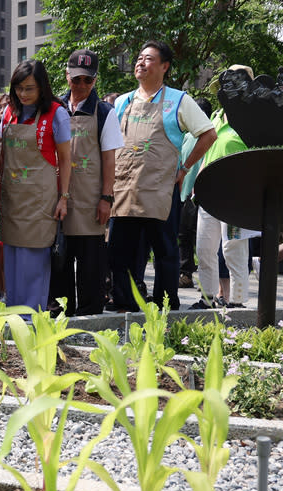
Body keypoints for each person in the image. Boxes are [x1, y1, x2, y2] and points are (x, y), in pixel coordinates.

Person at [109, 40, 215, 312]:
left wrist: (185, 167)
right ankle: (125, 301)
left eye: (148, 59)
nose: (140, 63)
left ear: (165, 67)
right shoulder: (123, 102)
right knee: (121, 251)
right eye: (139, 58)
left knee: (166, 252)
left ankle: (165, 304)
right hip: (125, 188)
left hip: (160, 191)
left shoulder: (179, 100)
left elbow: (208, 134)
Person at [48, 49, 123, 316]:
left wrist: (106, 199)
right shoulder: (54, 108)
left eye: (87, 80)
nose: (81, 85)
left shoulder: (105, 112)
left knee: (91, 264)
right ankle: (61, 315)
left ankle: (90, 316)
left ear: (94, 80)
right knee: (60, 261)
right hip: (56, 199)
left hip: (91, 200)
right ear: (67, 76)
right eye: (76, 79)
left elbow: (110, 160)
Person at [0, 60, 72, 313]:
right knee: (12, 260)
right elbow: (2, 155)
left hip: (40, 201)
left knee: (33, 261)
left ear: (42, 87)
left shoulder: (56, 113)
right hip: (12, 198)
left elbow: (65, 159)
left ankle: (30, 315)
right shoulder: (9, 113)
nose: (23, 94)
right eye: (19, 88)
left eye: (29, 88)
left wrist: (64, 198)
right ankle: (12, 314)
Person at [192, 65, 257, 309]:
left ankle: (236, 301)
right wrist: (197, 185)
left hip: (236, 195)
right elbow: (208, 152)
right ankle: (207, 298)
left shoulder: (252, 118)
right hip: (210, 193)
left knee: (233, 249)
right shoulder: (217, 116)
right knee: (204, 248)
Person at [178, 97, 213, 289]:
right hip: (184, 195)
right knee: (184, 235)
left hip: (204, 196)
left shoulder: (209, 138)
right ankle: (185, 274)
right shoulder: (186, 136)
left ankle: (207, 279)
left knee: (204, 239)